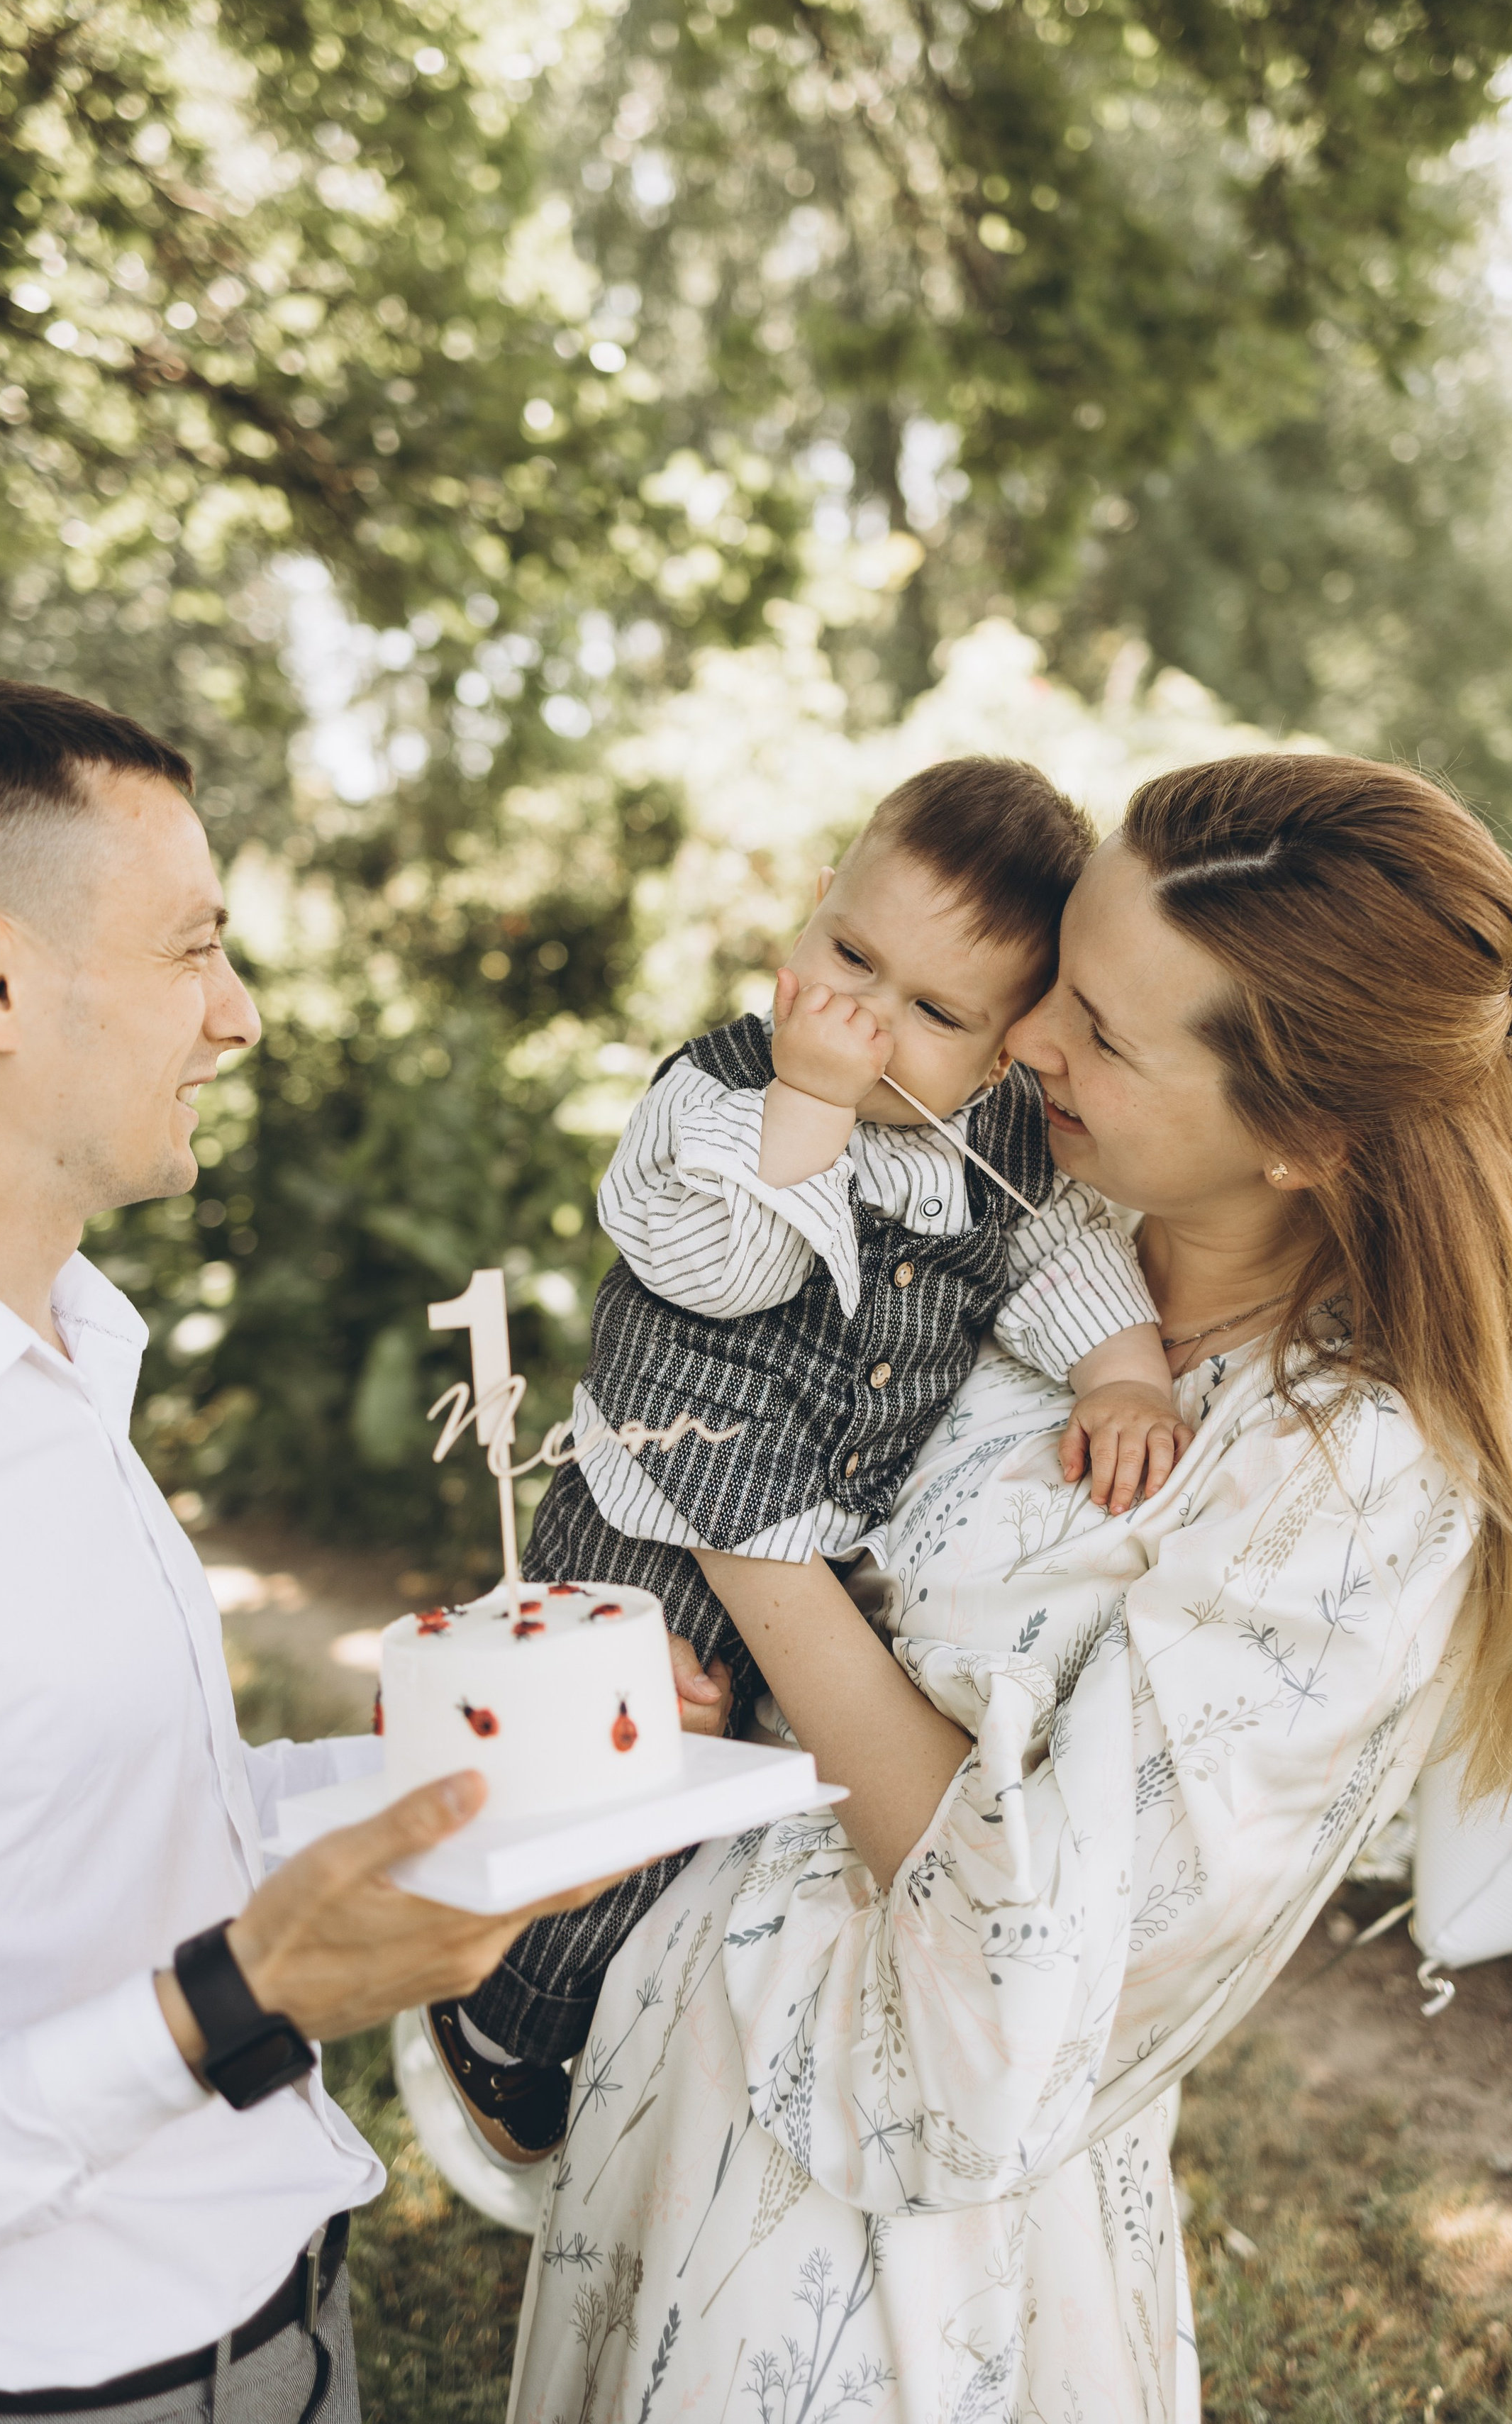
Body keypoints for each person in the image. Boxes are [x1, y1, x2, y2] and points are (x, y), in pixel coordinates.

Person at [510, 750, 1512, 2424]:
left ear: (1301, 1139)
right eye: (1053, 983)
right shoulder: (1023, 1251)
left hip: (891, 2253)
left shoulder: (1347, 1480)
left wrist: (734, 1537)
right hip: (677, 2091)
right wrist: (686, 1699)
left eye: (1100, 1032)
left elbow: (1010, 1963)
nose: (1023, 1039)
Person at [0, 676, 722, 2424]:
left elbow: (102, 1833)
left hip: (290, 2334)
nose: (236, 1017)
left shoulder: (54, 1353)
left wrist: (475, 1756)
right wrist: (232, 2007)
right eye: (192, 948)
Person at [432, 758, 1191, 2168]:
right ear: (808, 917)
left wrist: (1123, 1371)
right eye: (849, 956)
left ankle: (636, 2022)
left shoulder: (995, 1147)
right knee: (612, 1776)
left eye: (932, 1011)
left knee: (741, 1800)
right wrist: (810, 1109)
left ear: (1002, 1043)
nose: (861, 1019)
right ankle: (502, 2012)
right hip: (649, 1518)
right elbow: (713, 1272)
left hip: (833, 1528)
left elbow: (1053, 1260)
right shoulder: (719, 1097)